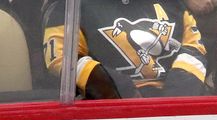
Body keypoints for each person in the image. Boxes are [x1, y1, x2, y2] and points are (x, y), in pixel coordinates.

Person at [42, 0, 208, 98]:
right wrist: (120, 90)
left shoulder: (173, 4)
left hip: (178, 108)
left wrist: (176, 100)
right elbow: (63, 59)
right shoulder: (70, 6)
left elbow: (194, 48)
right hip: (106, 111)